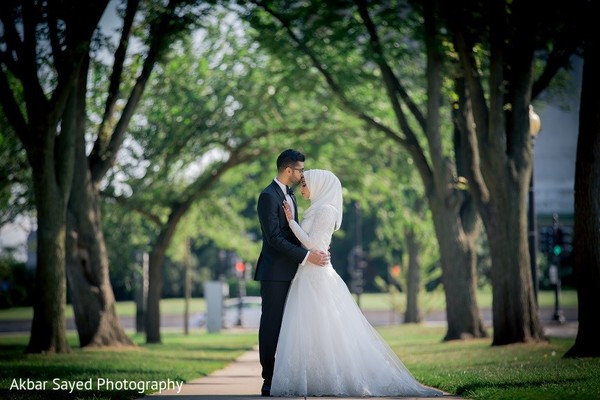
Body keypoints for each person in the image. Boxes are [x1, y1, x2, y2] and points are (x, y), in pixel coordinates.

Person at [271, 169, 443, 397]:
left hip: (318, 277)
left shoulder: (326, 211)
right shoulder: (316, 209)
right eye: (302, 185)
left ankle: (334, 379)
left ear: (319, 186)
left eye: (305, 185)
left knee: (327, 327)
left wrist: (291, 223)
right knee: (311, 329)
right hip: (306, 275)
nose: (302, 189)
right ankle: (313, 378)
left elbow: (314, 244)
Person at [254, 150, 330, 397]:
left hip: (296, 273)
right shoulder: (268, 196)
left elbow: (296, 234)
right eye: (300, 170)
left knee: (293, 327)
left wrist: (315, 252)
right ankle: (269, 379)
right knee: (271, 326)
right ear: (288, 170)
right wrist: (308, 257)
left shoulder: (292, 196)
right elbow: (274, 238)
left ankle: (290, 377)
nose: (302, 174)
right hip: (275, 273)